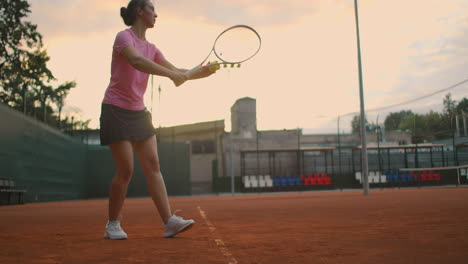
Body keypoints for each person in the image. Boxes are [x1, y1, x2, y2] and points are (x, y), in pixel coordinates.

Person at [100, 0, 215, 240]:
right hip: (116, 109)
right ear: (140, 11)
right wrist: (174, 75)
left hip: (139, 112)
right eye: (152, 9)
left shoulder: (153, 48)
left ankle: (169, 221)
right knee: (126, 171)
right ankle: (112, 224)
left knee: (153, 166)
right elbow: (137, 62)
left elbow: (178, 72)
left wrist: (202, 72)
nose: (156, 14)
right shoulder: (124, 37)